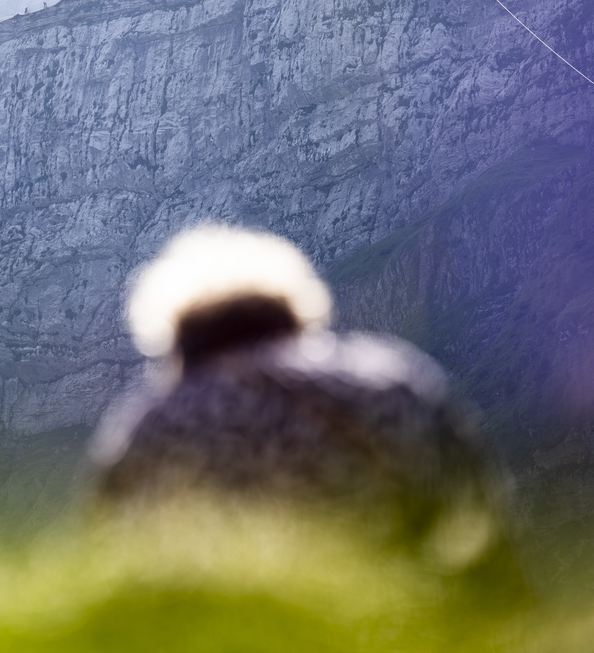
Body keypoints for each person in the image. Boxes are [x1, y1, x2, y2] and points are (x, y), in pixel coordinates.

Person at [89, 224, 526, 598]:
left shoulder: (150, 425)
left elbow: (111, 567)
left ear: (178, 341)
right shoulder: (386, 378)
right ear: (296, 312)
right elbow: (480, 518)